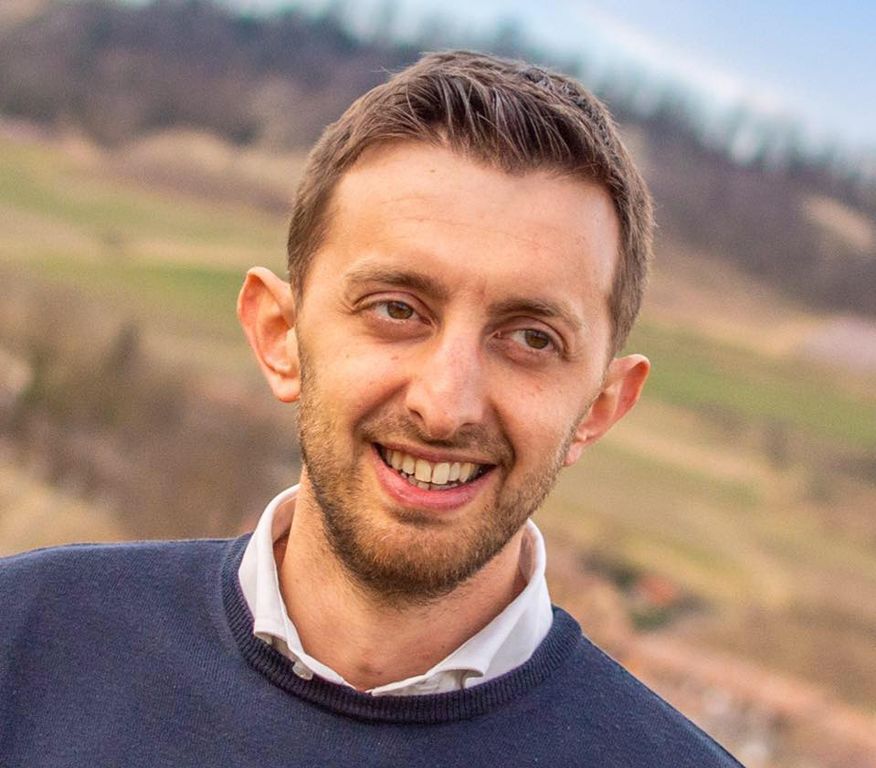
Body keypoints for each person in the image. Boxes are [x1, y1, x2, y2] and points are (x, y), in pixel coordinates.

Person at [0, 51, 742, 766]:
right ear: (280, 336)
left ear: (600, 408)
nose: (445, 406)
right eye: (397, 309)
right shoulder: (26, 644)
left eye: (530, 338)